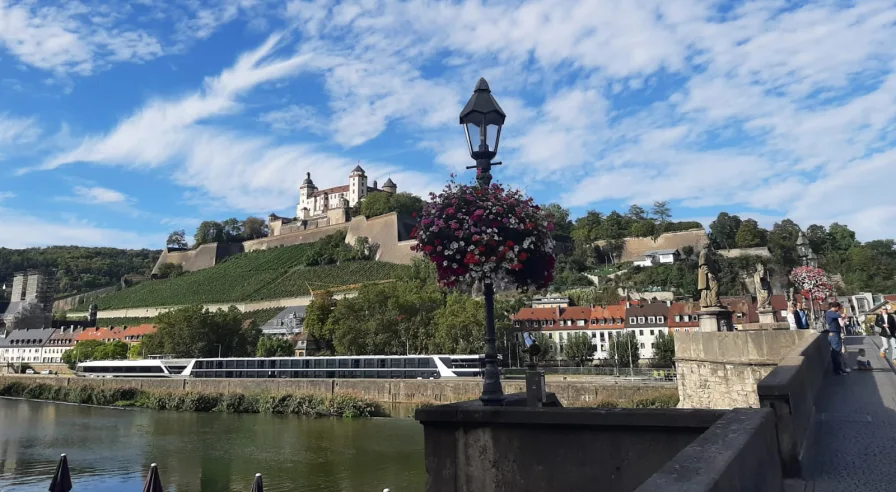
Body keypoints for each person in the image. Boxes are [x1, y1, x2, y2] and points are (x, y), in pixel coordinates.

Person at [825, 302, 848, 375]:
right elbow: (836, 315)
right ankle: (837, 370)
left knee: (837, 352)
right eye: (839, 308)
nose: (839, 309)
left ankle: (839, 368)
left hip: (836, 334)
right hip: (834, 334)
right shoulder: (830, 313)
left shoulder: (831, 313)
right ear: (836, 307)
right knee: (836, 352)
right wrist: (841, 315)